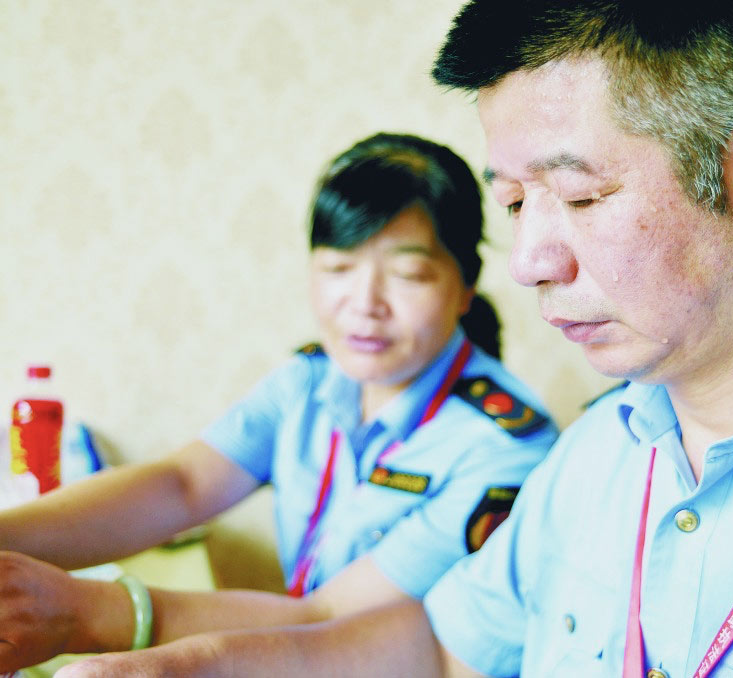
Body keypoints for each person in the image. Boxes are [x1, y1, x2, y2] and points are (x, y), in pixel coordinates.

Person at [54, 2, 733, 677]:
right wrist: (176, 666)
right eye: (515, 203)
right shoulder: (601, 451)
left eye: (580, 196)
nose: (527, 262)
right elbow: (442, 652)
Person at [0, 132, 558, 674]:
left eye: (408, 275)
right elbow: (183, 484)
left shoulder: (506, 451)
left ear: (466, 286)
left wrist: (84, 611)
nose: (364, 304)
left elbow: (328, 618)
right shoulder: (308, 382)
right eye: (338, 269)